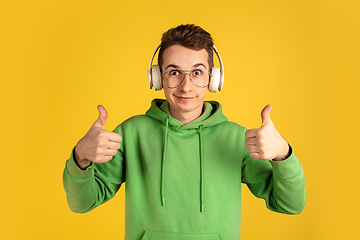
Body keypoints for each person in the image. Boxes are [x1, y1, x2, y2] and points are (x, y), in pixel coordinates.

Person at [63, 24, 306, 240]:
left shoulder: (237, 139)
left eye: (197, 72)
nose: (186, 86)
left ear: (213, 78)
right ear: (158, 77)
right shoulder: (131, 133)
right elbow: (82, 203)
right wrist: (80, 157)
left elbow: (290, 205)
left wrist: (283, 155)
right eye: (174, 72)